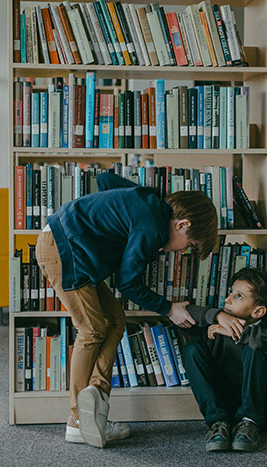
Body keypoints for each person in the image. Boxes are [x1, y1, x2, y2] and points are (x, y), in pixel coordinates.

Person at [35, 171, 218, 448]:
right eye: (189, 246)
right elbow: (128, 284)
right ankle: (76, 420)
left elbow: (107, 179)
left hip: (73, 249)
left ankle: (95, 397)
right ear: (182, 224)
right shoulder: (152, 228)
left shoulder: (150, 199)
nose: (181, 252)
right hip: (63, 250)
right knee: (92, 330)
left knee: (115, 320)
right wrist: (169, 309)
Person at [181, 267, 267, 452]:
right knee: (192, 349)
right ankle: (218, 423)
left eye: (239, 296)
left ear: (257, 312)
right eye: (231, 292)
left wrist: (242, 335)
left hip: (263, 406)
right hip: (225, 405)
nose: (228, 298)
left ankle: (249, 423)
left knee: (255, 347)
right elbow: (183, 314)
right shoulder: (218, 322)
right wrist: (215, 316)